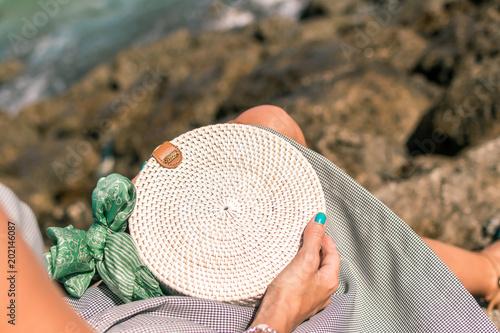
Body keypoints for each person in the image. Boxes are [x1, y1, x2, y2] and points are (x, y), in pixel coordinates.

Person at [0, 105, 499, 332]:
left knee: (266, 127)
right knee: (334, 243)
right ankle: (486, 273)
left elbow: (26, 297)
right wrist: (278, 313)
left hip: (98, 303)